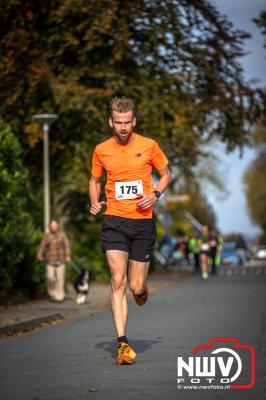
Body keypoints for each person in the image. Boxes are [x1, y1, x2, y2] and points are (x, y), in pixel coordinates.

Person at [89, 96, 172, 365]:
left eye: (127, 122)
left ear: (133, 121)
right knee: (117, 281)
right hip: (114, 221)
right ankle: (122, 345)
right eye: (118, 123)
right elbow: (94, 180)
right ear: (110, 122)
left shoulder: (149, 145)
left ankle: (141, 290)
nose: (123, 127)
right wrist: (94, 200)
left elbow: (167, 173)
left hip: (143, 223)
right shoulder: (101, 149)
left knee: (135, 287)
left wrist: (156, 193)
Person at [37, 220, 71, 302]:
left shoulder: (62, 235)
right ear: (50, 226)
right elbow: (42, 247)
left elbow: (67, 245)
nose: (54, 227)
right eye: (52, 225)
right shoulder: (47, 236)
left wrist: (68, 255)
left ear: (58, 226)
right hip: (50, 261)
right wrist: (39, 255)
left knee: (60, 279)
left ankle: (60, 297)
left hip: (61, 261)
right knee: (50, 278)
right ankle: (52, 294)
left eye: (55, 225)